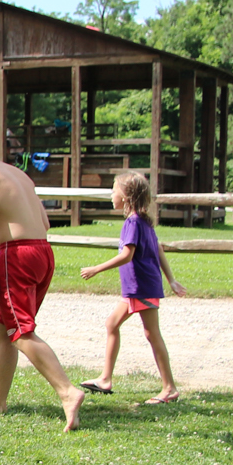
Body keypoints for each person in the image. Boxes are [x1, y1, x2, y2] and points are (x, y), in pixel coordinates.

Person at [0, 126, 86, 431]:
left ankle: (67, 392)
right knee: (3, 322)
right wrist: (5, 248)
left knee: (20, 330)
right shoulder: (19, 174)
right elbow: (44, 223)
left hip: (19, 257)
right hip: (42, 252)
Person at [79, 171, 189, 405]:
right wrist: (171, 280)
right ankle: (105, 379)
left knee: (152, 334)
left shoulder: (134, 222)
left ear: (126, 196)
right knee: (112, 324)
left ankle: (169, 388)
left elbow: (127, 255)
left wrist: (97, 268)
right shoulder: (142, 221)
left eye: (114, 190)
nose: (111, 195)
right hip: (136, 288)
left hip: (142, 287)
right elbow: (158, 248)